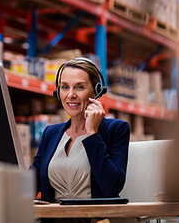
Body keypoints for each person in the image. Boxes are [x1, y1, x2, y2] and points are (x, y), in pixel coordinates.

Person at [31, 58, 130, 202]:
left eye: (79, 87)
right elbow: (30, 186)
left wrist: (92, 133)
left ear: (96, 91)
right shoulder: (50, 133)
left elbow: (112, 187)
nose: (70, 94)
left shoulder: (115, 130)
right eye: (65, 87)